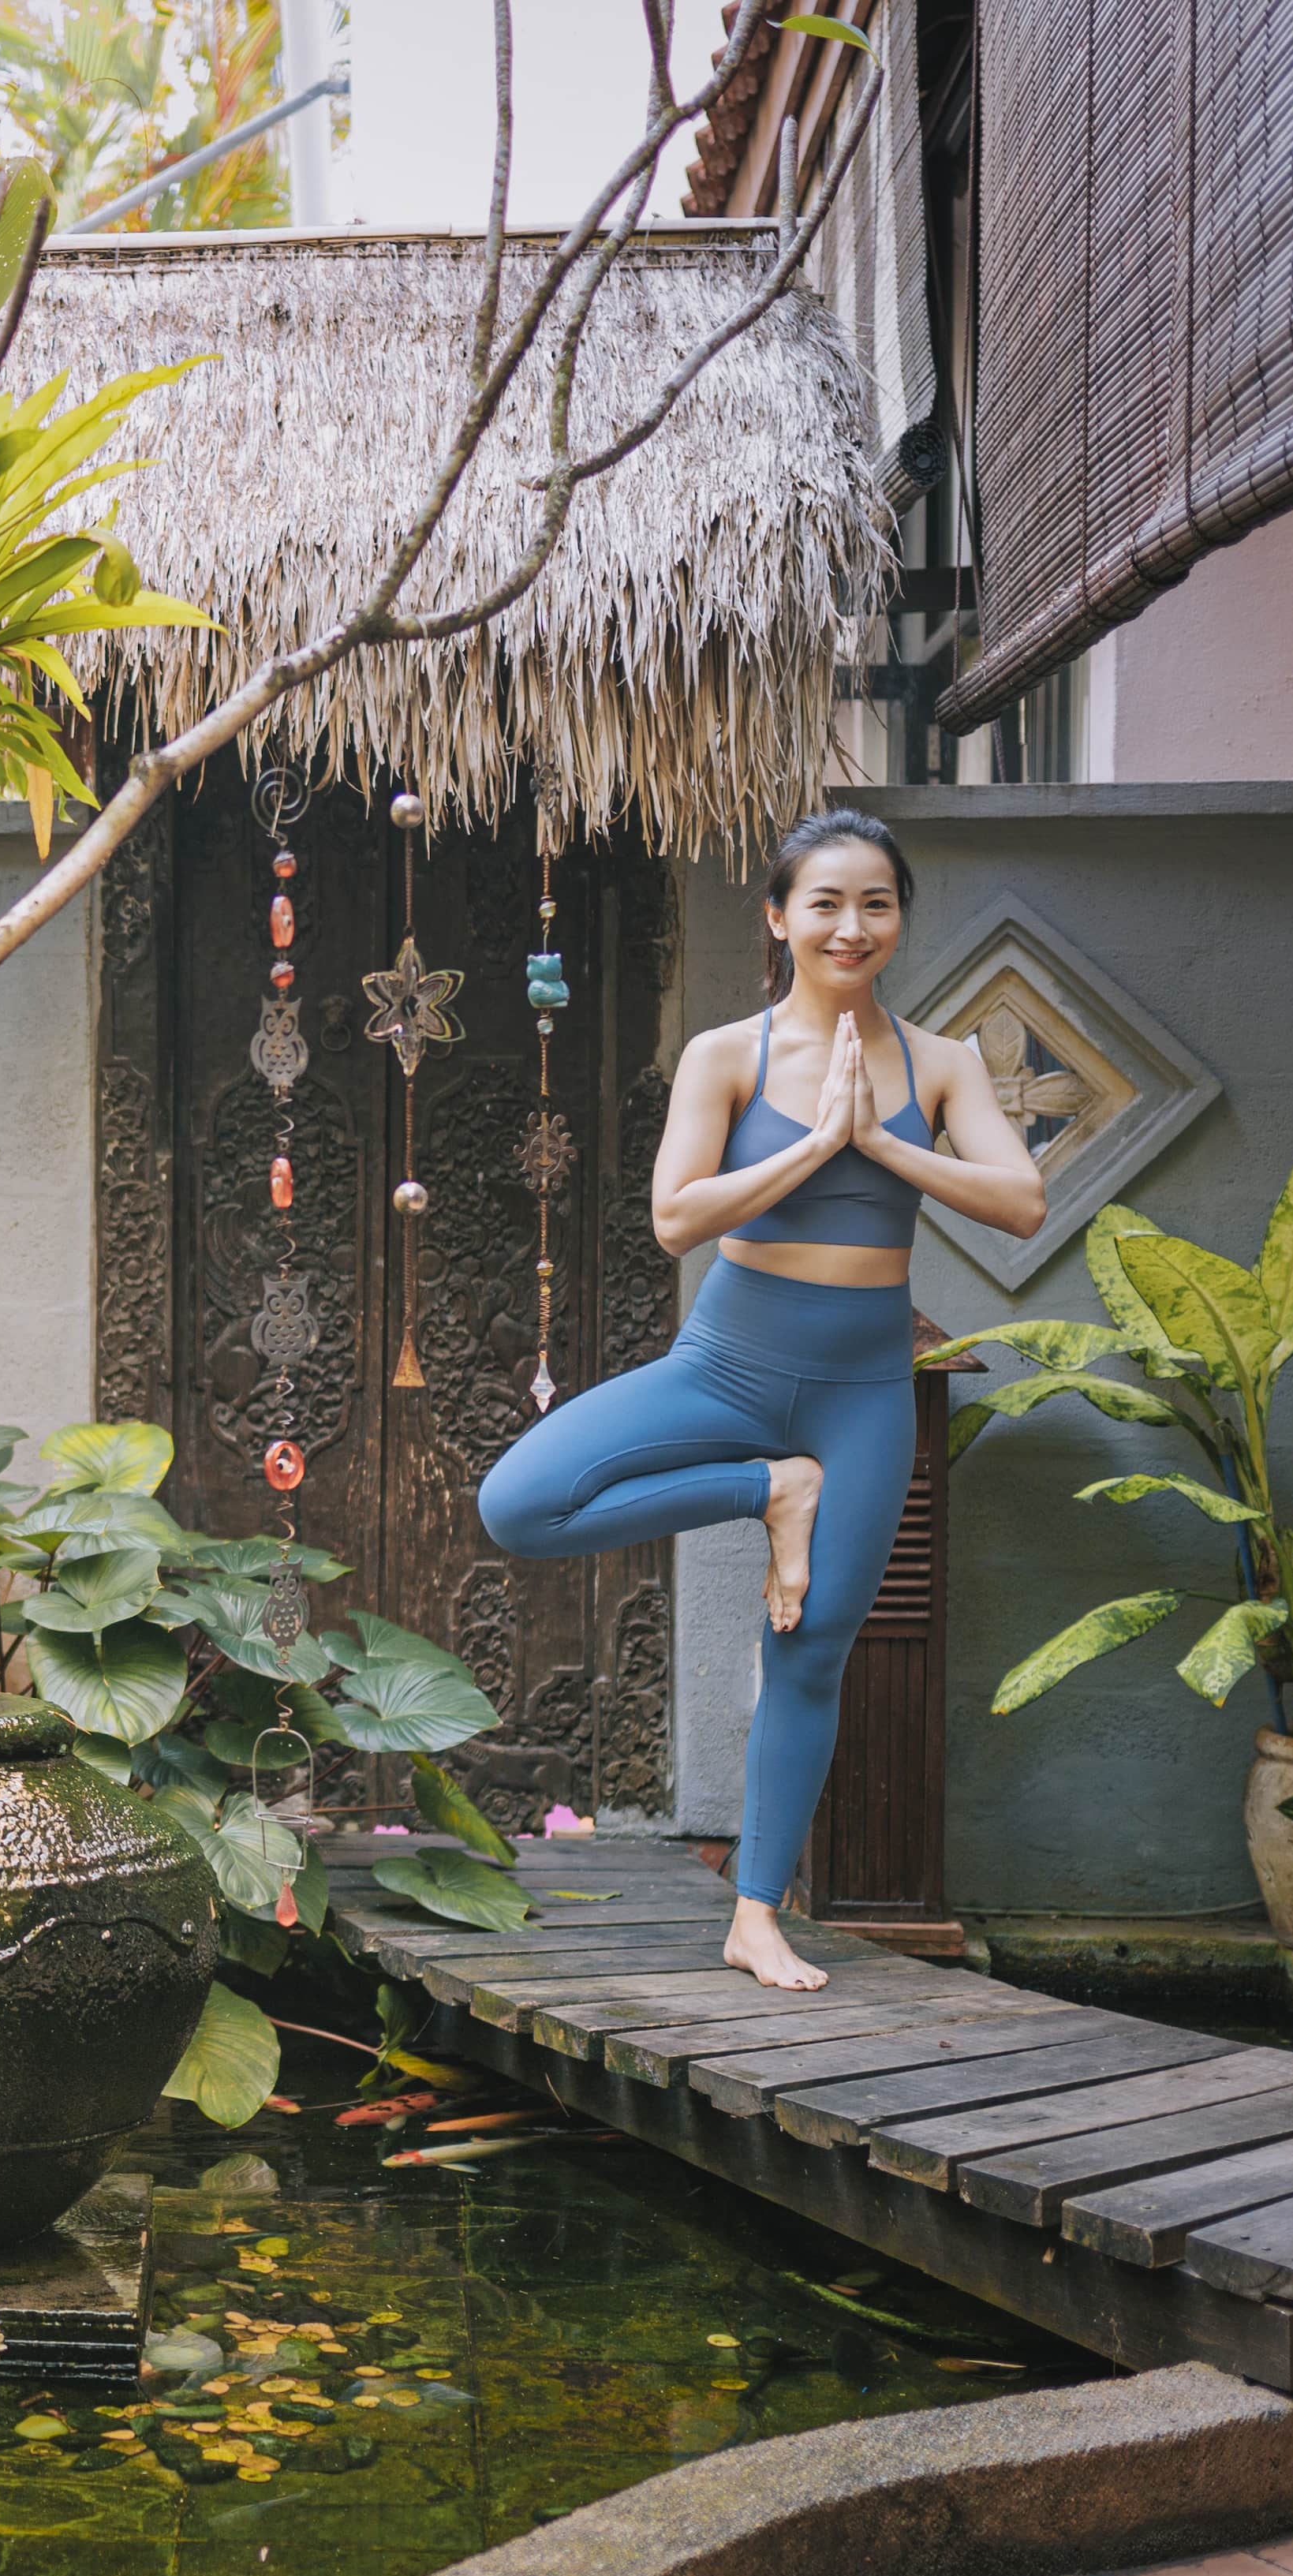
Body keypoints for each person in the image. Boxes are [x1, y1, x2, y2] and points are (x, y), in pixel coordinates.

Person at [475, 809, 1048, 1989]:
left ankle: (753, 1913)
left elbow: (1021, 1200)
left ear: (898, 919)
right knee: (520, 1500)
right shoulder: (725, 1055)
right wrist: (811, 1148)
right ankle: (766, 1488)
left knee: (813, 1645)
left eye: (876, 903)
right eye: (825, 902)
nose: (852, 924)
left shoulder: (941, 1063)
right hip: (726, 1362)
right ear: (780, 918)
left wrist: (885, 1150)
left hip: (862, 1388)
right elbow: (677, 1215)